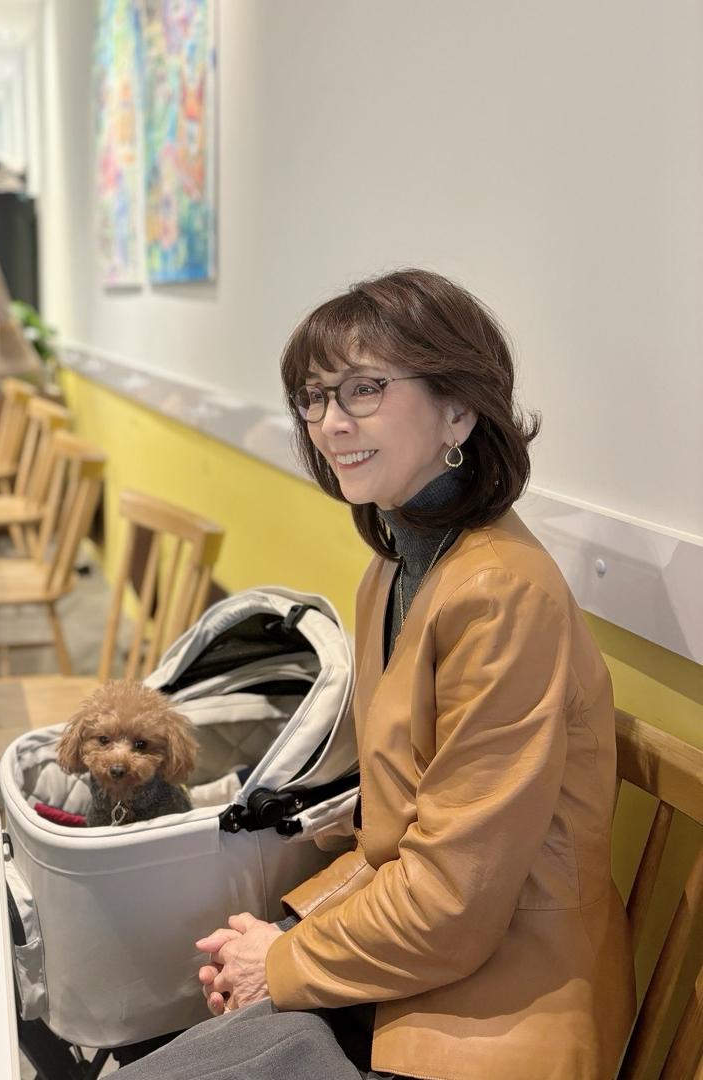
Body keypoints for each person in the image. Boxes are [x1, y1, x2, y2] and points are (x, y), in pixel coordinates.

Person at [115, 269, 635, 1080]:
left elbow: (455, 898)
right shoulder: (391, 572)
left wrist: (283, 959)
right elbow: (397, 838)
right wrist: (282, 937)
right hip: (418, 962)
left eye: (363, 389)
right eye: (314, 397)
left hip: (503, 1003)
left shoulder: (499, 594)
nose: (330, 422)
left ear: (459, 410)